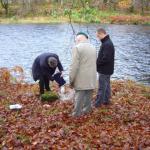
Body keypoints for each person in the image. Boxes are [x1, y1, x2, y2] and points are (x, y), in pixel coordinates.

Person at [69, 32, 97, 117]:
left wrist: (71, 80)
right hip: (92, 77)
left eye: (76, 41)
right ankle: (87, 111)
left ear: (78, 39)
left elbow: (74, 66)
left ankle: (76, 114)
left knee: (79, 97)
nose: (75, 42)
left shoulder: (77, 48)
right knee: (88, 95)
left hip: (81, 78)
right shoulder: (93, 47)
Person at [94, 28, 115, 107]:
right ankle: (106, 100)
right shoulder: (107, 42)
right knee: (106, 86)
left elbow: (105, 59)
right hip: (107, 69)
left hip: (104, 70)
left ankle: (97, 104)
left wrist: (96, 64)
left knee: (102, 87)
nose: (98, 38)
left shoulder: (107, 44)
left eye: (98, 36)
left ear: (101, 34)